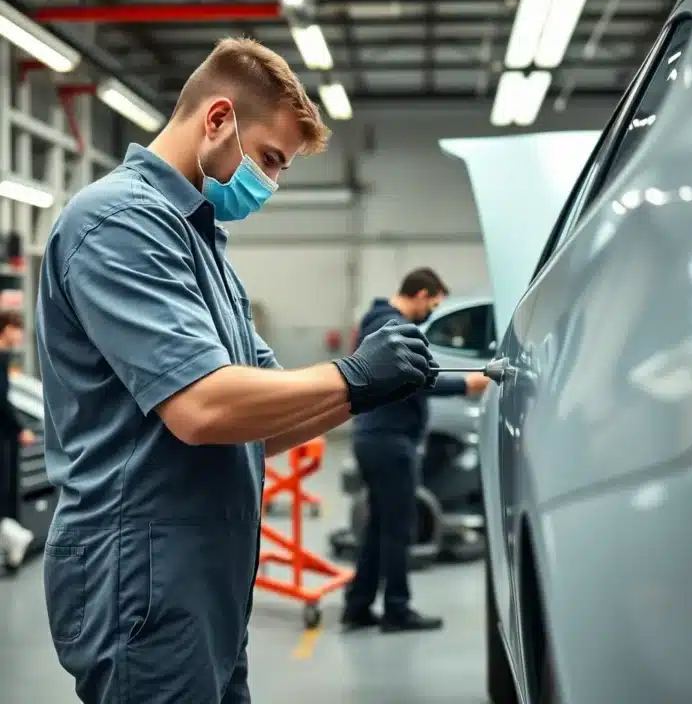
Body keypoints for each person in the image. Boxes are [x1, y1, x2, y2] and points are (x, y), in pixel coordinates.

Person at [36, 38, 438, 704]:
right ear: (217, 119)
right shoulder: (118, 222)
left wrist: (372, 390)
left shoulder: (202, 247)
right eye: (270, 160)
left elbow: (262, 420)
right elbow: (202, 409)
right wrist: (352, 376)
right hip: (144, 574)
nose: (271, 185)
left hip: (203, 575)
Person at [341, 268, 489, 633]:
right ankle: (397, 609)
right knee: (398, 528)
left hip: (375, 438)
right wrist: (467, 383)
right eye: (433, 304)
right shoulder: (394, 326)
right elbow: (416, 379)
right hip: (390, 441)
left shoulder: (376, 321)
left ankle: (358, 605)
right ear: (422, 294)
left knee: (378, 527)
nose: (431, 312)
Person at [0, 309, 36, 572]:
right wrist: (20, 427)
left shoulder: (6, 358)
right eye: (16, 329)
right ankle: (14, 538)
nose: (20, 335)